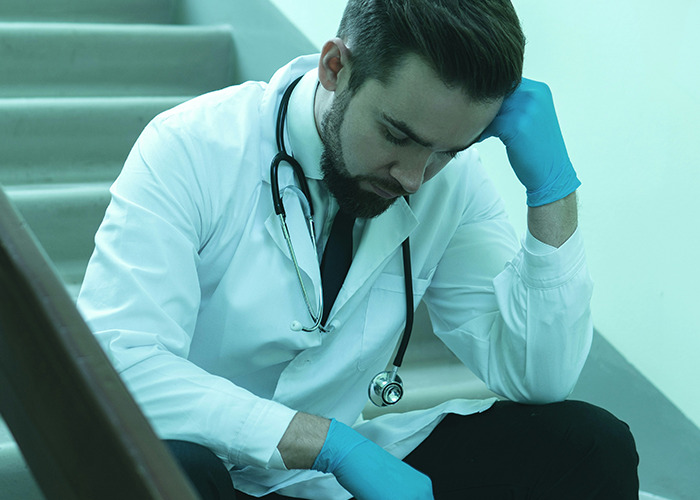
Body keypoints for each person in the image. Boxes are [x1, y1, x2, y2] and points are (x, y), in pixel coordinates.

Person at [77, 0, 639, 498]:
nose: (416, 177)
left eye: (448, 149)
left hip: (325, 485)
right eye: (397, 135)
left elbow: (536, 376)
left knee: (589, 444)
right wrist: (328, 443)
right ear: (335, 68)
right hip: (211, 464)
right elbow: (121, 365)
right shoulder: (191, 146)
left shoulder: (454, 185)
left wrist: (553, 193)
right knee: (174, 468)